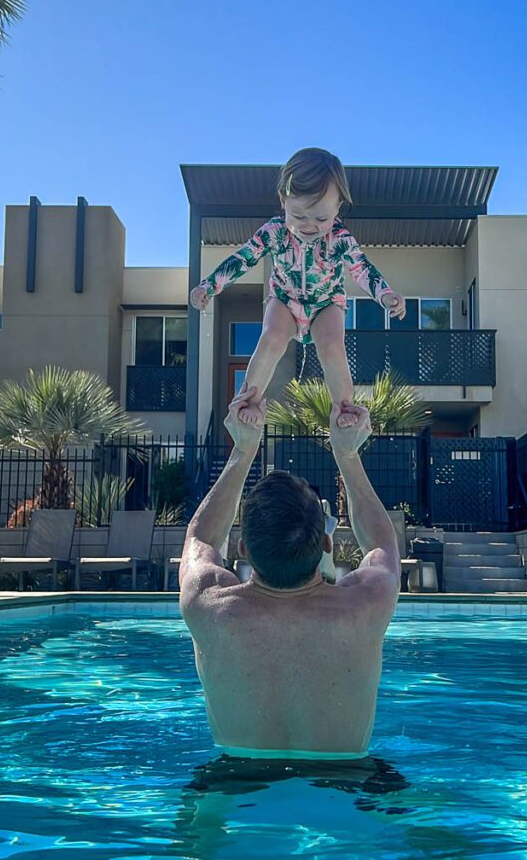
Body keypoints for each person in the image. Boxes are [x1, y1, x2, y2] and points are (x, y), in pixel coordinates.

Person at [178, 384, 400, 760]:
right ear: (326, 543)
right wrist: (346, 453)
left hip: (234, 780)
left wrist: (244, 449)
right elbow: (383, 545)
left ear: (244, 550)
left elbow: (200, 537)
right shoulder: (367, 603)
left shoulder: (207, 603)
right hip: (348, 782)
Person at [189, 147, 406, 428]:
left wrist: (385, 293)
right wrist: (209, 285)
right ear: (283, 200)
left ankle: (344, 407)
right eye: (300, 215)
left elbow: (361, 268)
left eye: (321, 218)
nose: (310, 226)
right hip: (285, 300)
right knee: (271, 339)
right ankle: (250, 400)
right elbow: (243, 258)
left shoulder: (340, 238)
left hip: (326, 304)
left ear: (338, 208)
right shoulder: (274, 232)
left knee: (332, 348)